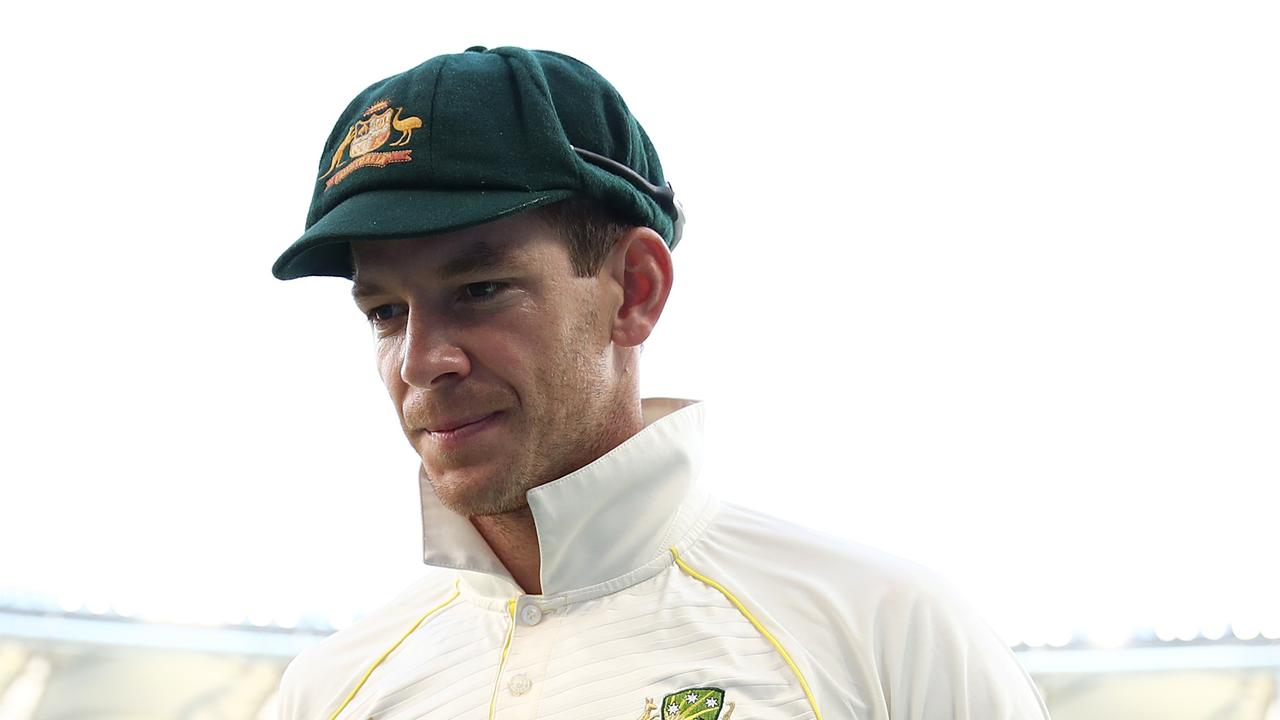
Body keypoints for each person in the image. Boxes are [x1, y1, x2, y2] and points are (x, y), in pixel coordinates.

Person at [271, 45, 1051, 720]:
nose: (419, 361)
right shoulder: (330, 691)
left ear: (635, 290)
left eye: (479, 290)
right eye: (383, 311)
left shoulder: (884, 635)